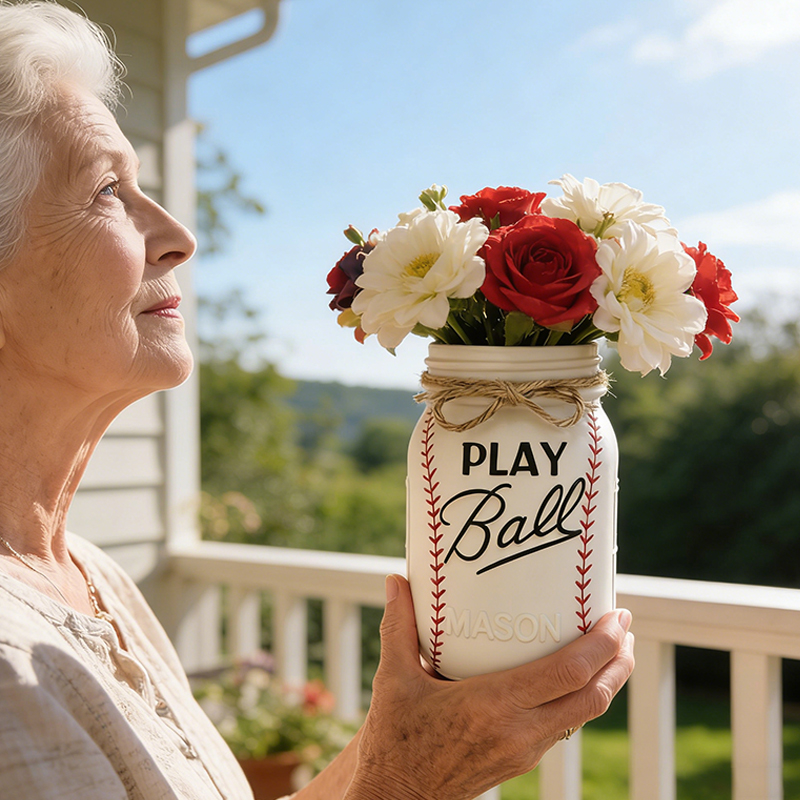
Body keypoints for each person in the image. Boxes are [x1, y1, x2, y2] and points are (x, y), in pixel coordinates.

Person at [0, 2, 635, 799]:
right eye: (105, 189)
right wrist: (410, 781)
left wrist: (405, 746)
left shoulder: (86, 574)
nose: (177, 235)